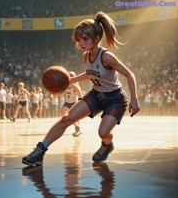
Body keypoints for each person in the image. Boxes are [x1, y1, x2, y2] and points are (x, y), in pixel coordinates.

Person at [22, 12, 140, 166]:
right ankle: (40, 151)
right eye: (78, 40)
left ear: (96, 39)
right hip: (96, 95)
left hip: (115, 98)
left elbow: (129, 74)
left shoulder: (107, 57)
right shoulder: (86, 56)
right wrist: (71, 80)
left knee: (103, 133)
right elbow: (90, 74)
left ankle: (107, 145)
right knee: (67, 119)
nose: (81, 43)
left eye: (85, 39)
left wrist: (135, 100)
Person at [62, 71, 83, 137]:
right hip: (67, 102)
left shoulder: (75, 87)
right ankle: (77, 128)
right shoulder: (65, 86)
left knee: (74, 118)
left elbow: (80, 94)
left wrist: (79, 102)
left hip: (74, 103)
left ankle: (77, 129)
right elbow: (63, 93)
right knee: (63, 113)